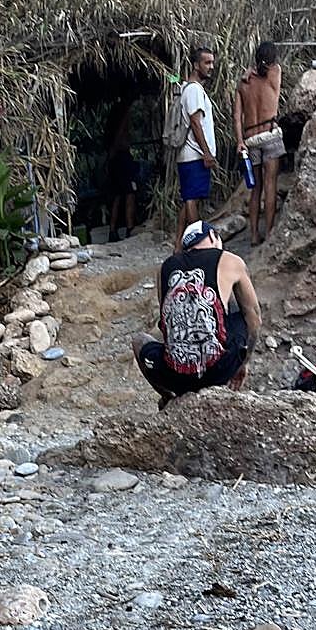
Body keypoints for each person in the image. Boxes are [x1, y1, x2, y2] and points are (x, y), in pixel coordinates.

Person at [133, 220, 263, 409]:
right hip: (220, 370)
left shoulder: (165, 268)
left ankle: (169, 397)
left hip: (176, 376)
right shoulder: (230, 260)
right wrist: (242, 363)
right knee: (241, 312)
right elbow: (255, 316)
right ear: (212, 237)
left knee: (139, 341)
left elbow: (166, 324)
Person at [234, 41, 283, 245]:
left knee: (256, 188)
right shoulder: (275, 73)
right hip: (270, 134)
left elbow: (237, 116)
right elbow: (270, 66)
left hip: (250, 139)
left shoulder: (243, 82)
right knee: (270, 185)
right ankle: (270, 232)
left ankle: (254, 235)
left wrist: (240, 141)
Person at [174, 47, 217, 252]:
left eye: (212, 63)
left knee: (189, 199)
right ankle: (197, 246)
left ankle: (178, 247)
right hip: (194, 155)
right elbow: (196, 122)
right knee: (191, 200)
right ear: (195, 65)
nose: (211, 67)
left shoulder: (192, 89)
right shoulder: (193, 90)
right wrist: (207, 152)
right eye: (207, 63)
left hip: (192, 155)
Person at [106, 96, 138, 241]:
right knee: (129, 193)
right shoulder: (123, 113)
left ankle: (113, 230)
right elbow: (120, 136)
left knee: (117, 195)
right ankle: (130, 228)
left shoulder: (114, 115)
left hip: (115, 159)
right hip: (122, 158)